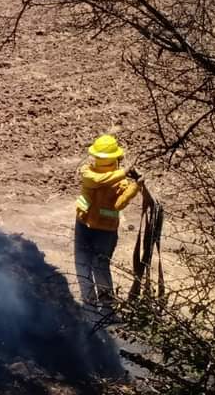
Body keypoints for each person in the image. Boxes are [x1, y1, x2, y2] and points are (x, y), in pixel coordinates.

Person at [74, 134, 146, 314]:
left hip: (94, 228)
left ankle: (100, 306)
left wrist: (135, 186)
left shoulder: (109, 177)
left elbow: (118, 204)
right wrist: (131, 182)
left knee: (90, 265)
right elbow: (100, 183)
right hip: (95, 227)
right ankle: (96, 306)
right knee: (94, 266)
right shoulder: (91, 173)